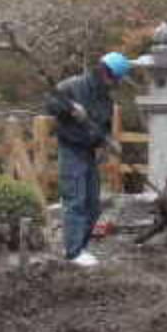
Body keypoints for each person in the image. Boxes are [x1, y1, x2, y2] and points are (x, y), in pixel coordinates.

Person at [44, 51, 134, 267]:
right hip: (71, 148)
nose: (116, 84)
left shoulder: (106, 99)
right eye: (116, 79)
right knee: (75, 200)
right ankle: (73, 252)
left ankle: (80, 248)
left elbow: (101, 129)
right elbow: (50, 103)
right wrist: (70, 108)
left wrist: (108, 142)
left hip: (88, 152)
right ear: (106, 73)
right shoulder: (72, 86)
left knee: (93, 204)